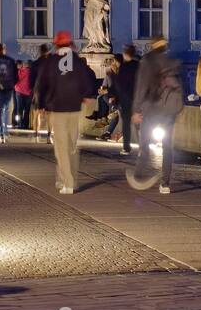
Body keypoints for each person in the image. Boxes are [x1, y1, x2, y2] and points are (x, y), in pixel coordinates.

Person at [33, 31, 97, 194]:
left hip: (58, 107)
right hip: (74, 107)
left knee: (61, 147)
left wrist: (40, 104)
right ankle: (67, 179)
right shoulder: (77, 61)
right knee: (72, 146)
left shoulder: (52, 61)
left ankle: (67, 182)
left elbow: (42, 83)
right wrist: (88, 94)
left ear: (56, 45)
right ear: (70, 45)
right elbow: (88, 79)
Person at [126, 36, 184, 193]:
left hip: (151, 109)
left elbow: (141, 87)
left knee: (144, 144)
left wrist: (136, 110)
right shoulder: (172, 62)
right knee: (167, 146)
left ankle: (138, 177)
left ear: (152, 46)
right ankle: (165, 183)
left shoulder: (147, 61)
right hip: (169, 111)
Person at [112, 45, 139, 157]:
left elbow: (119, 84)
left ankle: (126, 147)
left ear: (125, 54)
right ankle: (143, 146)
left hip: (126, 99)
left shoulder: (123, 67)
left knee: (126, 124)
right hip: (137, 99)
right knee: (139, 124)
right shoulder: (138, 66)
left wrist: (116, 97)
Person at [0, 43, 18, 144]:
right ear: (4, 50)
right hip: (8, 89)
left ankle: (1, 136)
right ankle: (5, 132)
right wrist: (11, 85)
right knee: (6, 110)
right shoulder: (11, 61)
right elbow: (16, 77)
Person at [13, 61, 33, 130]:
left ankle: (20, 124)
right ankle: (26, 125)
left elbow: (15, 80)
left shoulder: (20, 71)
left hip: (19, 92)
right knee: (27, 110)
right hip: (29, 93)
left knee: (19, 109)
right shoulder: (32, 72)